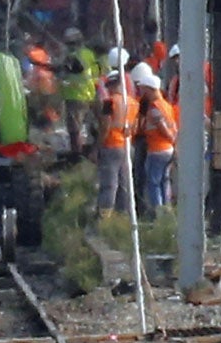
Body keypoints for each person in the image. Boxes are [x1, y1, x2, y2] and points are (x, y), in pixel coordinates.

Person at [134, 62, 178, 211]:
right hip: (168, 149)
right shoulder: (166, 105)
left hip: (158, 149)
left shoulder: (154, 108)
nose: (142, 92)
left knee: (153, 182)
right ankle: (167, 210)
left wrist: (171, 138)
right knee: (164, 180)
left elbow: (163, 127)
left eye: (144, 89)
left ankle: (158, 212)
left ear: (150, 89)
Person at [94, 71, 137, 215]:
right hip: (127, 145)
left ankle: (105, 216)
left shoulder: (109, 102)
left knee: (109, 183)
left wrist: (97, 147)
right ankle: (123, 214)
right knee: (125, 183)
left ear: (112, 85)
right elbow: (135, 127)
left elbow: (105, 126)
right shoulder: (133, 102)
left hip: (111, 145)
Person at [59, 26, 100, 154]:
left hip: (75, 97)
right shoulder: (89, 54)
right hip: (91, 95)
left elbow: (65, 72)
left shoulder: (71, 56)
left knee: (74, 130)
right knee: (92, 127)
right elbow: (95, 72)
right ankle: (94, 152)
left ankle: (77, 157)